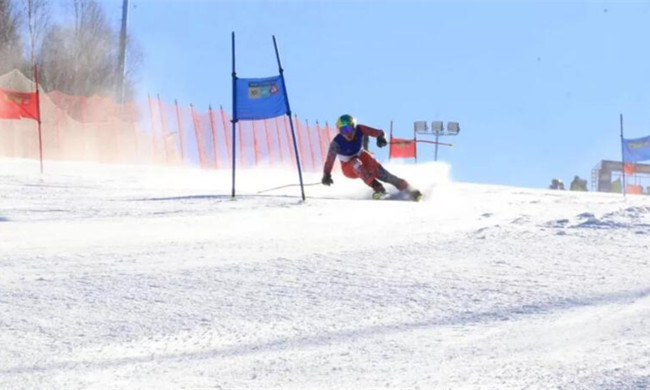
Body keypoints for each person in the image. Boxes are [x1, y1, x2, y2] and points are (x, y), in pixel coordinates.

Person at [321, 114, 422, 200]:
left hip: (362, 158)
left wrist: (381, 138)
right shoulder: (336, 143)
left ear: (354, 127)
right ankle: (378, 188)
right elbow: (329, 160)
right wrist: (326, 175)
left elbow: (379, 132)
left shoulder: (360, 129)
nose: (347, 133)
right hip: (348, 168)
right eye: (343, 130)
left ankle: (408, 189)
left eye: (349, 128)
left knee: (378, 168)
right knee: (355, 162)